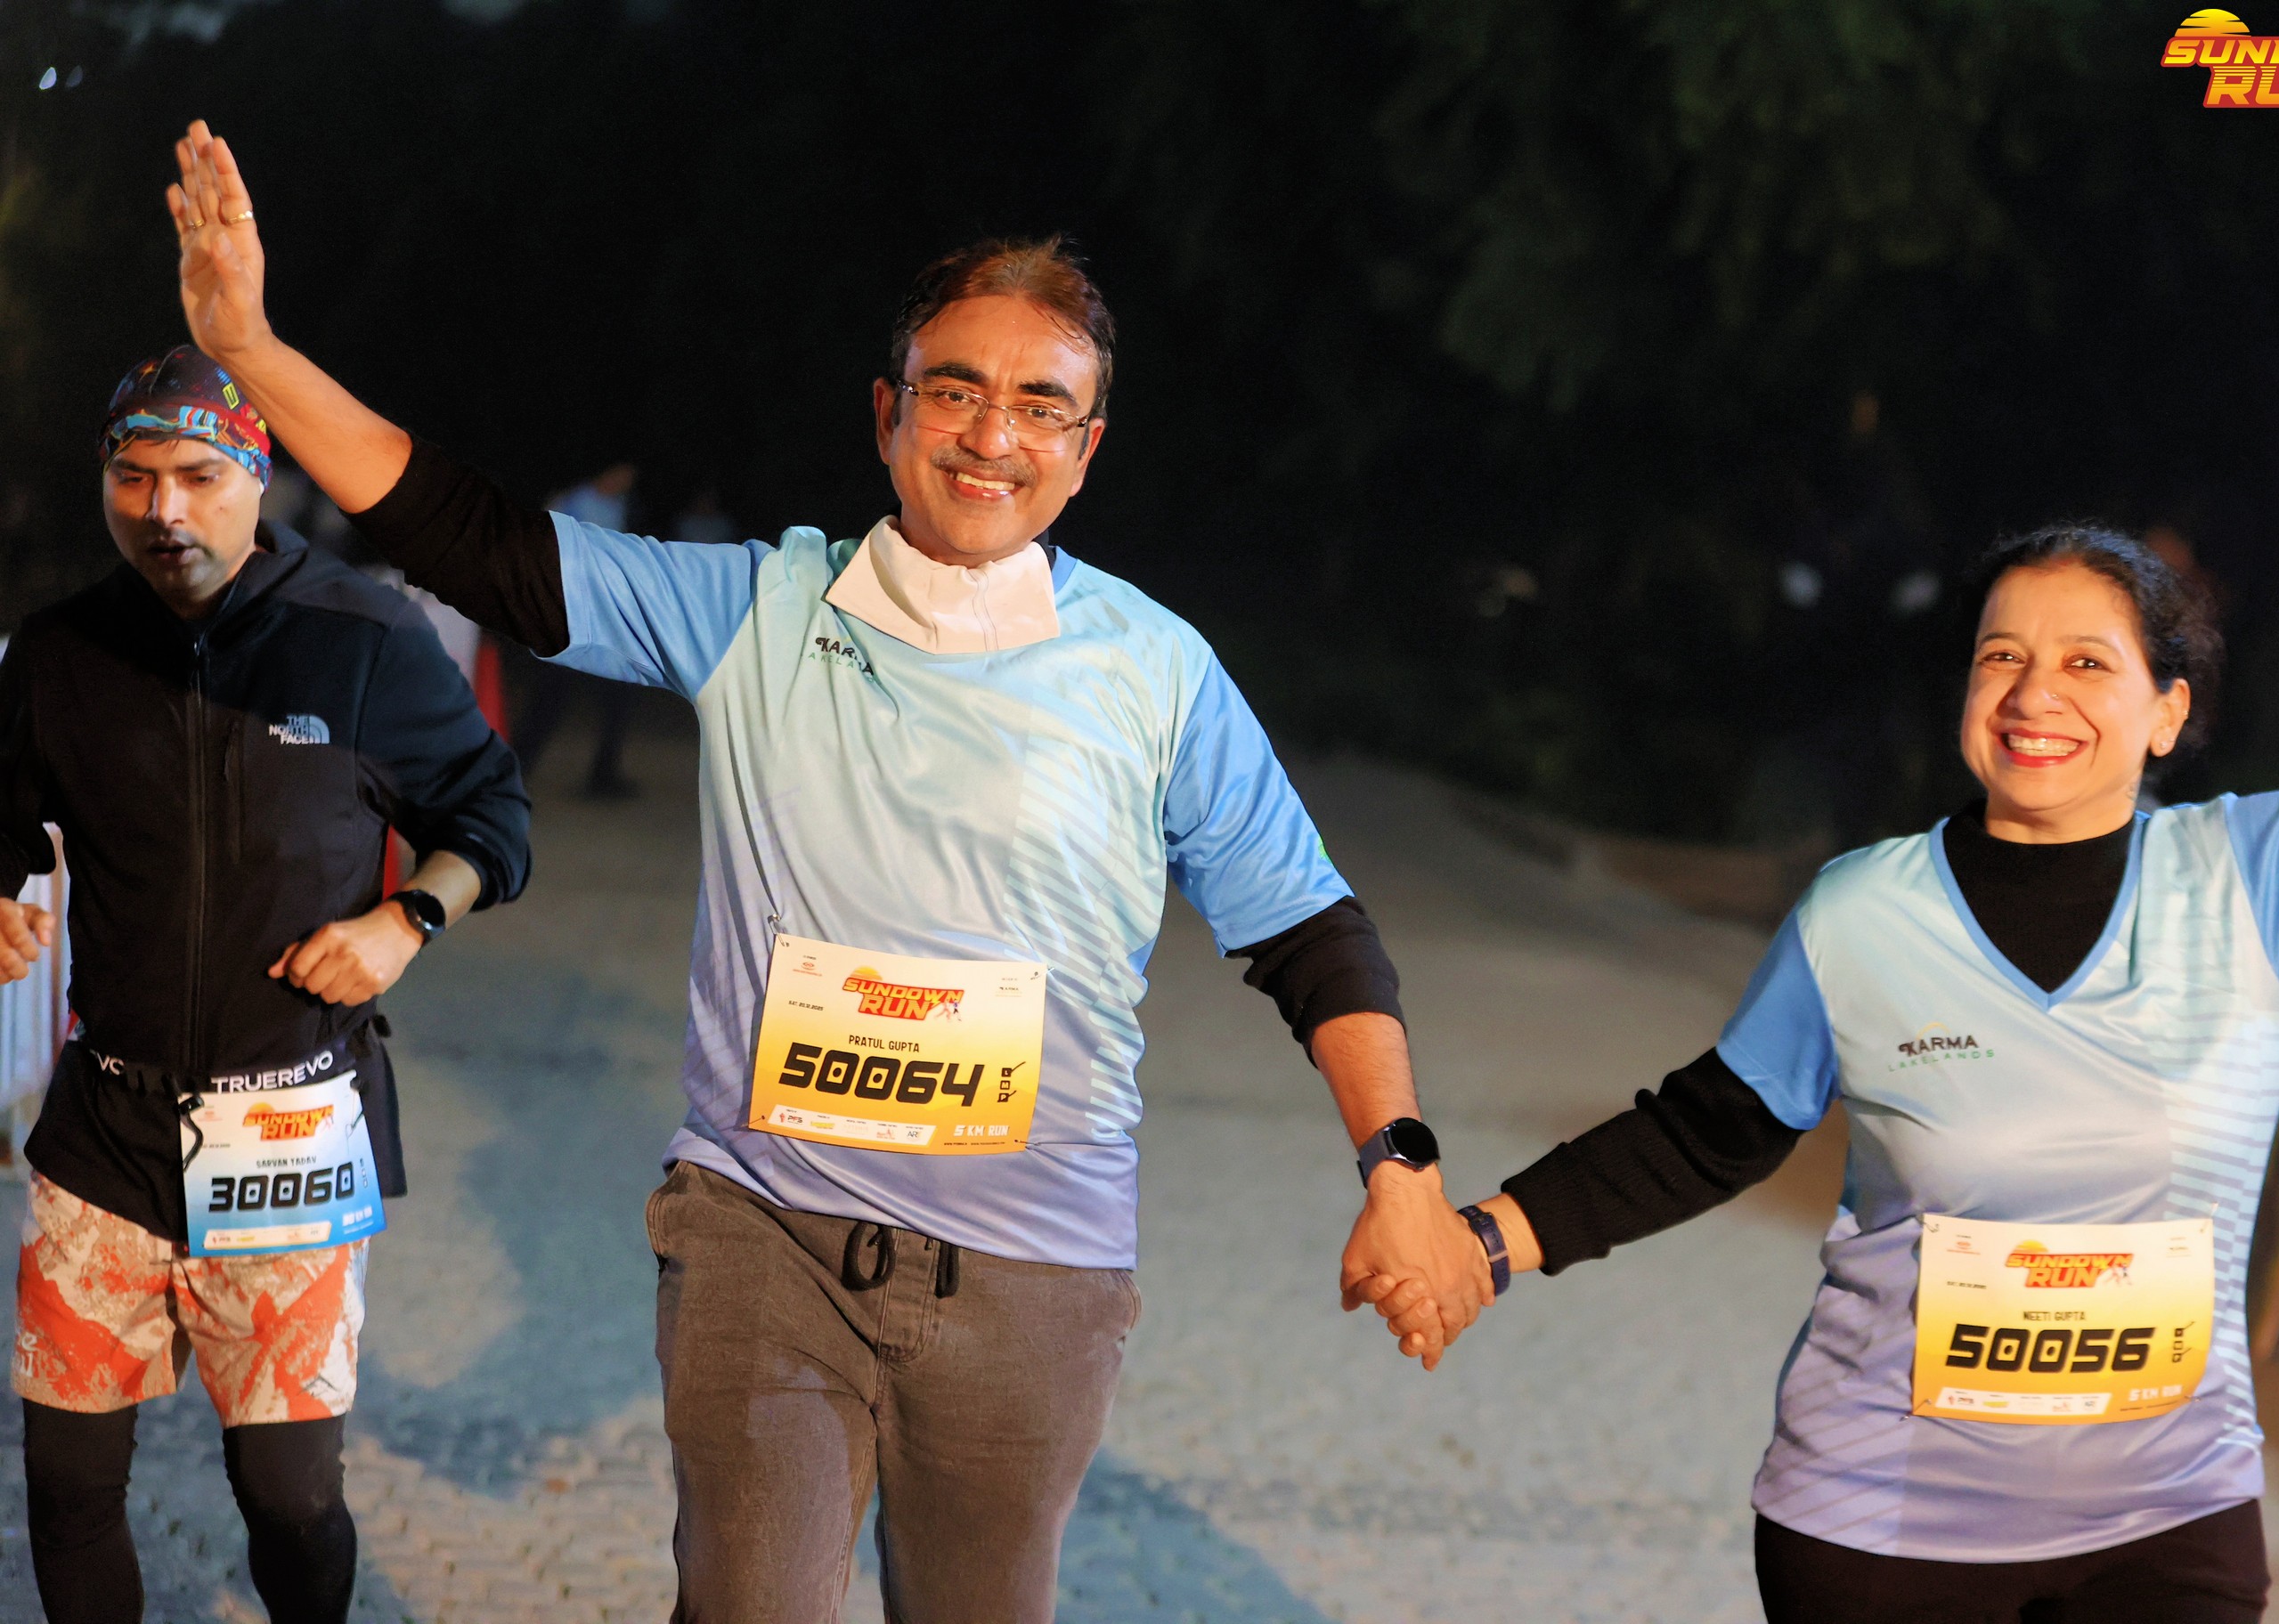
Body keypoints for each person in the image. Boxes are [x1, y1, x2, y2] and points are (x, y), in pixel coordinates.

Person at [162, 119, 1489, 1623]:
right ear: (887, 412)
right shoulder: (760, 609)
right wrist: (250, 347)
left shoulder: (1156, 670)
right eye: (956, 389)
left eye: (1041, 406)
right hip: (763, 1239)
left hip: (1034, 1273)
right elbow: (477, 541)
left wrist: (1401, 1169)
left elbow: (1310, 930)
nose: (991, 434)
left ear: (1087, 449)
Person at [1357, 452, 2279, 1621]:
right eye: (2001, 657)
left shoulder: (2264, 881)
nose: (2033, 695)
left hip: (2168, 1525)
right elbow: (1708, 1130)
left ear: (2169, 711)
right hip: (1884, 1528)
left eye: (2087, 662)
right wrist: (1479, 1246)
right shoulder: (1865, 914)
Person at [0, 345, 532, 1624]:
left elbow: (493, 815)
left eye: (199, 475)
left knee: (287, 1497)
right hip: (104, 1134)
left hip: (285, 1133)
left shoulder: (363, 640)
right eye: (134, 478)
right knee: (66, 1487)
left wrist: (409, 917)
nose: (164, 509)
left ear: (260, 475)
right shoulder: (60, 655)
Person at [517, 462, 644, 798]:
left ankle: (603, 777)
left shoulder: (619, 506)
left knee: (619, 695)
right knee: (549, 701)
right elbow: (542, 552)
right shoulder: (572, 502)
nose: (628, 480)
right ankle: (509, 775)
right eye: (624, 472)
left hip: (602, 621)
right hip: (566, 618)